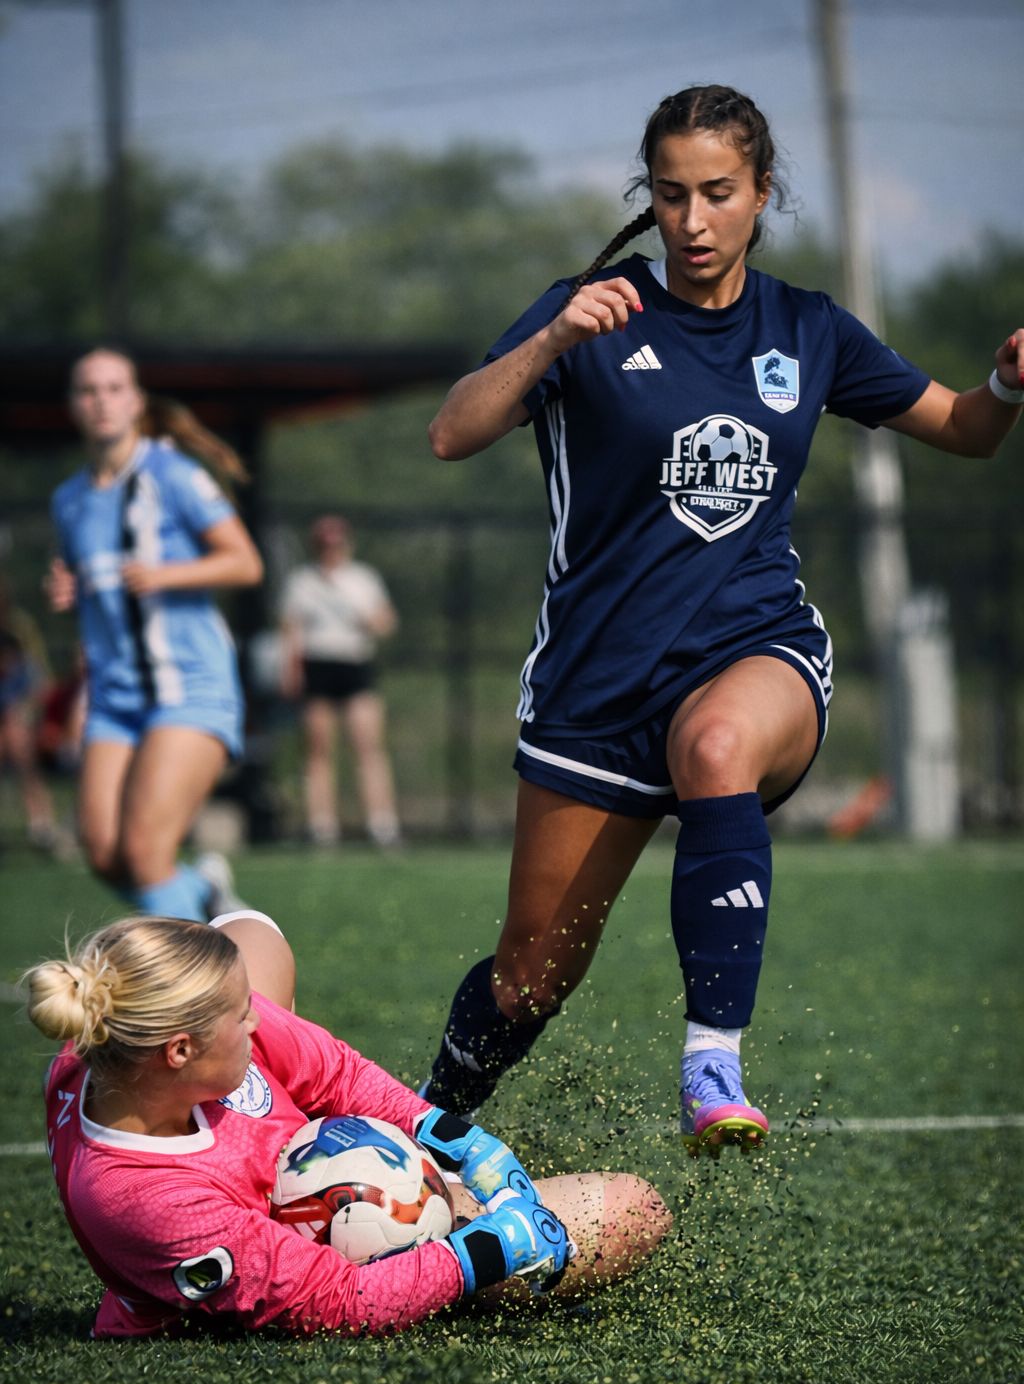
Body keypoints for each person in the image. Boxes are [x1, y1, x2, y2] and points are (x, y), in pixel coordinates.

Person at [420, 84, 1023, 1154]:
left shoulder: (809, 326)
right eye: (669, 195)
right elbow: (452, 432)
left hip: (756, 647)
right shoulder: (591, 309)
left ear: (760, 193)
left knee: (716, 744)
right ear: (645, 199)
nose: (692, 221)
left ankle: (712, 1067)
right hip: (594, 687)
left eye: (717, 193)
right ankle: (423, 1129)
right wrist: (554, 335)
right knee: (528, 977)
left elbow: (966, 431)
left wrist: (1007, 383)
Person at [24, 910, 671, 1338]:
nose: (254, 1020)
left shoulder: (117, 1038)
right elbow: (338, 1301)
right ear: (181, 1051)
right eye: (236, 1016)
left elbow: (334, 1073)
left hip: (299, 1159)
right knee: (635, 1211)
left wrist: (450, 1134)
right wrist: (486, 1248)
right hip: (325, 1255)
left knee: (251, 931)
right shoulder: (141, 1199)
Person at [45, 348, 264, 920]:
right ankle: (207, 897)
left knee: (145, 854)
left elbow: (245, 563)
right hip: (115, 699)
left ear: (136, 401)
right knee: (104, 854)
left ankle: (208, 994)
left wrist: (166, 573)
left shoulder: (174, 477)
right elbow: (94, 595)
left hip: (189, 687)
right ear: (73, 405)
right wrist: (68, 591)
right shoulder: (69, 500)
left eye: (115, 388)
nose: (102, 401)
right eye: (88, 390)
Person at [279, 515, 402, 849]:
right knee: (318, 749)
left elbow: (386, 622)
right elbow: (291, 631)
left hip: (355, 663)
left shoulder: (363, 579)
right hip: (319, 664)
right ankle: (322, 827)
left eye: (337, 544)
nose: (332, 551)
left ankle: (382, 824)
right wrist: (289, 671)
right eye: (325, 546)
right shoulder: (302, 581)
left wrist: (368, 618)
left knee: (368, 745)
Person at [0, 580, 60, 852]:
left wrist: (25, 710)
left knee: (18, 742)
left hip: (19, 713)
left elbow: (41, 683)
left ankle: (42, 825)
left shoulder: (19, 629)